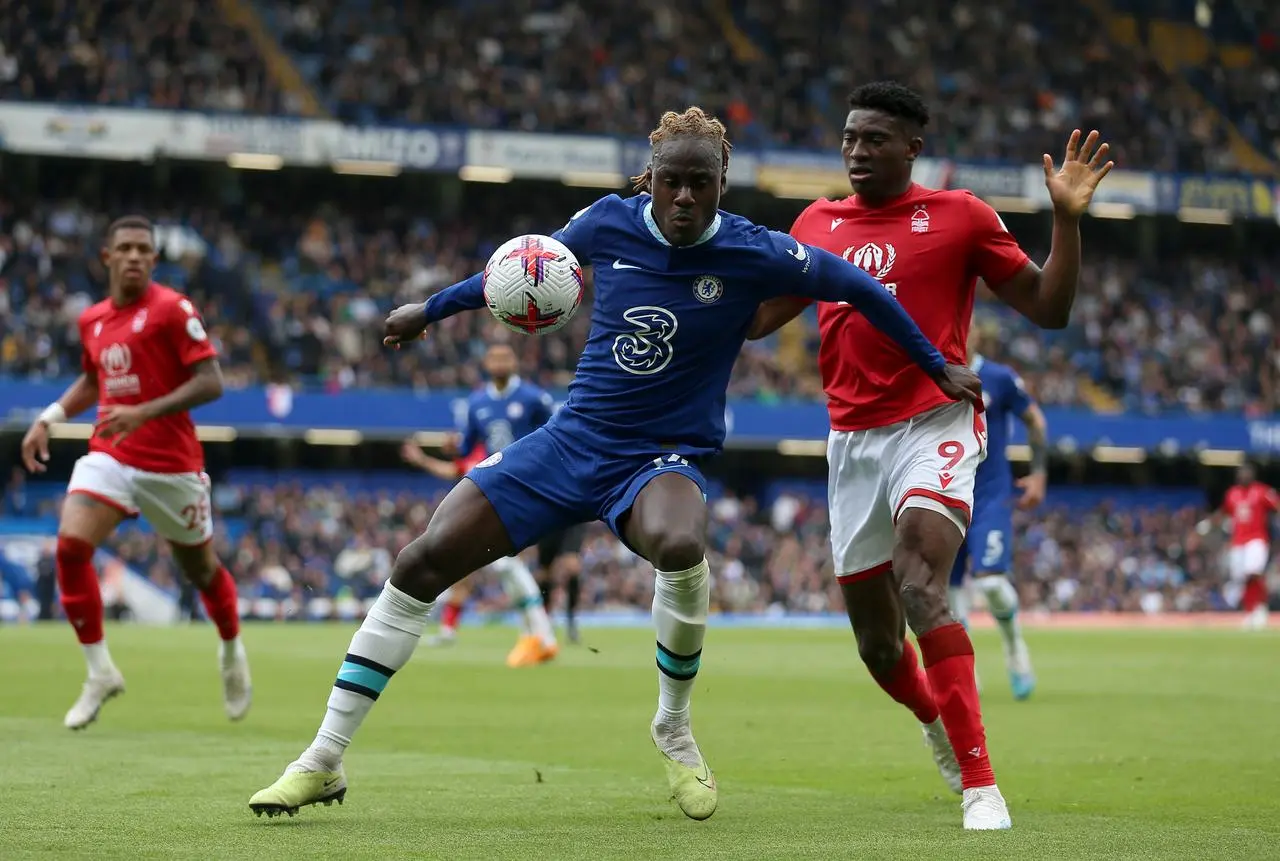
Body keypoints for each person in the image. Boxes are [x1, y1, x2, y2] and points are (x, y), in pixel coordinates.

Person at [248, 106, 979, 823]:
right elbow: (523, 270)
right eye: (671, 182)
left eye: (701, 183)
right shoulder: (607, 222)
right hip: (573, 440)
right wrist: (431, 310)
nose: (685, 197)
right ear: (649, 180)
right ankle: (322, 756)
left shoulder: (757, 251)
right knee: (423, 556)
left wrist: (935, 364)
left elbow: (857, 286)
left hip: (663, 455)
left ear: (722, 182)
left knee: (682, 544)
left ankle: (673, 725)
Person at [748, 81, 1113, 830]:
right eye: (849, 138)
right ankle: (932, 718)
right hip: (851, 442)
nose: (855, 151)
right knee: (879, 646)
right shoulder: (816, 223)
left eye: (873, 139)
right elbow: (759, 320)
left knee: (921, 581)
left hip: (935, 420)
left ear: (913, 148)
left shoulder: (960, 217)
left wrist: (1066, 223)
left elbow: (1051, 307)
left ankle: (982, 785)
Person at [19, 215, 251, 730]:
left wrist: (145, 411)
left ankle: (232, 648)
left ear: (153, 258)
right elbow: (91, 377)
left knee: (202, 571)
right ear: (107, 257)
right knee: (70, 547)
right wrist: (51, 417)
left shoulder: (172, 309)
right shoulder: (93, 320)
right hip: (111, 454)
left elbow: (211, 382)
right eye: (124, 248)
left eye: (144, 249)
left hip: (172, 466)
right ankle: (100, 672)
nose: (134, 257)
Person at [399, 342, 559, 666]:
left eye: (506, 356)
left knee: (505, 563)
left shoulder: (533, 398)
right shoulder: (477, 403)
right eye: (494, 357)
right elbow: (467, 447)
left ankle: (541, 637)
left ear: (515, 362)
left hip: (529, 484)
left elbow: (556, 434)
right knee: (504, 564)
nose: (500, 361)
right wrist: (452, 447)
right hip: (495, 485)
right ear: (486, 363)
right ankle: (539, 637)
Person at [947, 322, 1048, 701]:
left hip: (989, 495)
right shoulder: (930, 371)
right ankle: (965, 672)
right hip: (944, 493)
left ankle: (1014, 648)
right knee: (948, 593)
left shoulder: (998, 378)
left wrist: (1038, 474)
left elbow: (1035, 420)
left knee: (990, 582)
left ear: (975, 331)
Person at [1212, 463, 1277, 630]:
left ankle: (1261, 608)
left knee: (1253, 572)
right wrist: (1213, 520)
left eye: (1246, 473)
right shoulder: (1232, 493)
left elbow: (1277, 505)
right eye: (1241, 474)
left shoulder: (1262, 491)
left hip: (1257, 538)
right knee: (1241, 578)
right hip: (1238, 541)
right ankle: (1250, 612)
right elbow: (1225, 511)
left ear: (1253, 475)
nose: (1243, 477)